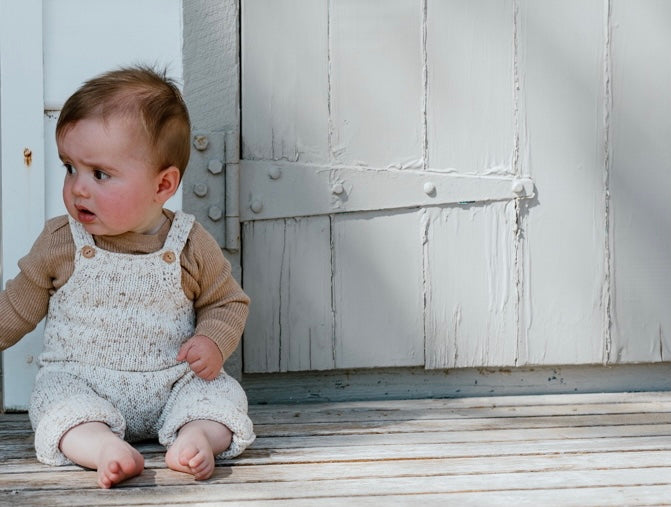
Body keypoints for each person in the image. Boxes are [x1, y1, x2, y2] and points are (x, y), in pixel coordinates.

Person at [0, 66, 255, 488]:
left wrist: (213, 340)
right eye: (70, 168)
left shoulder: (189, 243)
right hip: (83, 380)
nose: (79, 188)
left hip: (172, 381)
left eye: (99, 174)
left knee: (221, 398)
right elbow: (17, 305)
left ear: (163, 184)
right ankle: (102, 447)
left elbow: (226, 301)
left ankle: (195, 437)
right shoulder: (61, 241)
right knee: (55, 406)